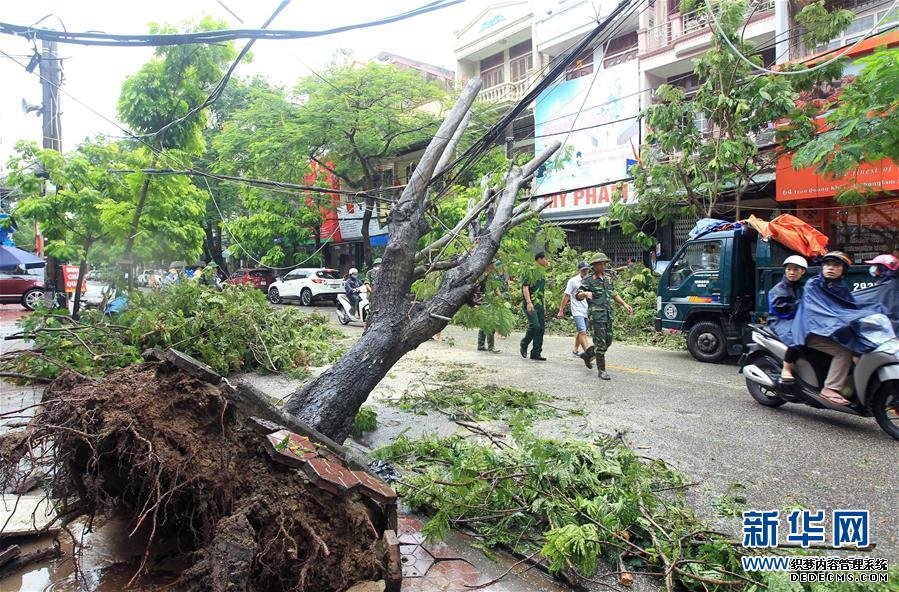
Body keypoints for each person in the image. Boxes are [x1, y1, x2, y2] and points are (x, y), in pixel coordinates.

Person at [799, 251, 857, 405]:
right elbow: (817, 311)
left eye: (836, 265)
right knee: (844, 352)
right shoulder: (813, 284)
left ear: (843, 270)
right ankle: (830, 388)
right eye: (827, 264)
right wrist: (839, 322)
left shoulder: (842, 288)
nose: (830, 268)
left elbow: (850, 308)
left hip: (831, 331)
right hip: (811, 331)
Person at [576, 253, 633, 380]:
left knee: (608, 341)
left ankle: (588, 354)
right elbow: (578, 294)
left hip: (607, 315)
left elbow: (613, 293)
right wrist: (585, 293)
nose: (603, 266)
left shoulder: (606, 279)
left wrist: (624, 304)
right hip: (596, 317)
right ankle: (602, 370)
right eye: (600, 264)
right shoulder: (589, 280)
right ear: (594, 266)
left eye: (604, 263)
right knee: (601, 344)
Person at [767, 255, 808, 382]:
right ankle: (787, 368)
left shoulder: (804, 287)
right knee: (796, 338)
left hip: (799, 319)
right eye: (789, 269)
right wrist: (800, 305)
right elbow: (780, 309)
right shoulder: (778, 289)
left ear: (803, 271)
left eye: (795, 269)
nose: (791, 272)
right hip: (781, 320)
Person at [557, 260, 593, 368]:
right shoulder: (573, 281)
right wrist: (561, 310)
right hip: (577, 310)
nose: (585, 271)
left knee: (581, 331)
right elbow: (566, 296)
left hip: (586, 310)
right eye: (583, 270)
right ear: (579, 270)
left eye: (587, 269)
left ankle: (575, 350)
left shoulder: (590, 280)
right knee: (582, 332)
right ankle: (588, 354)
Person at [520, 252, 549, 361]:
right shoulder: (530, 271)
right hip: (530, 303)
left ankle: (536, 352)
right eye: (546, 259)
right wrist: (528, 302)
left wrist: (544, 304)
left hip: (539, 304)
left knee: (541, 328)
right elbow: (525, 287)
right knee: (535, 325)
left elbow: (541, 291)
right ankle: (524, 342)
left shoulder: (542, 273)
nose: (547, 262)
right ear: (540, 259)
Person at [476, 261, 501, 353]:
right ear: (488, 265)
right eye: (492, 264)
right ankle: (486, 346)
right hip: (483, 300)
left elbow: (496, 287)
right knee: (487, 323)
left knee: (489, 323)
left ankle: (484, 345)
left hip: (492, 301)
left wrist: (499, 296)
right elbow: (477, 288)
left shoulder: (493, 275)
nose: (494, 266)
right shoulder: (482, 275)